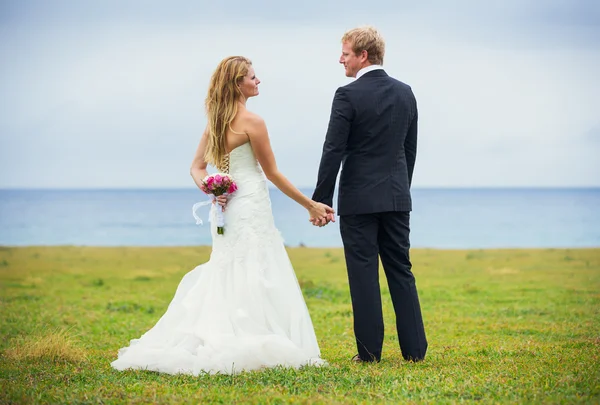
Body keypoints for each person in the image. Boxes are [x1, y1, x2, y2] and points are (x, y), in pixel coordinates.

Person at [111, 56, 332, 375]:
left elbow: (196, 168)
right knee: (255, 264)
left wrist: (212, 188)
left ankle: (229, 331)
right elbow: (272, 173)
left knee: (230, 265)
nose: (258, 82)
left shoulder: (214, 122)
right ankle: (251, 335)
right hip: (250, 202)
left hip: (225, 207)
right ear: (237, 83)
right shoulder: (253, 122)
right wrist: (310, 204)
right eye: (253, 77)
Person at [311, 26, 428, 362]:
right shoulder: (406, 92)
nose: (340, 59)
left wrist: (321, 200)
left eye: (345, 53)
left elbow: (333, 149)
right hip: (396, 198)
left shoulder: (346, 95)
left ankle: (369, 354)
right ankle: (415, 351)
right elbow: (410, 149)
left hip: (358, 200)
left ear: (362, 55)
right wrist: (399, 191)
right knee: (401, 270)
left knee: (363, 273)